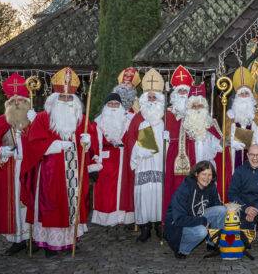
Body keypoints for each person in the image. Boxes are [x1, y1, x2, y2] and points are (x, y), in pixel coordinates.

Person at [19, 67, 93, 257]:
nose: (66, 101)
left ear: (75, 101)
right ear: (54, 99)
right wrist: (56, 144)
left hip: (73, 171)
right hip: (49, 172)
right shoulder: (43, 118)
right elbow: (33, 143)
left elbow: (88, 148)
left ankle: (69, 241)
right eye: (62, 97)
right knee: (51, 204)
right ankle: (48, 244)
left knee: (72, 204)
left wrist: (86, 142)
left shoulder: (81, 120)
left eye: (70, 98)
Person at [0, 74, 37, 254]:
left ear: (26, 101)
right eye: (13, 100)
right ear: (8, 102)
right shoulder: (1, 121)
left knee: (32, 201)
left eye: (21, 100)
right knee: (15, 202)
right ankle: (18, 239)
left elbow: (41, 141)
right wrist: (2, 151)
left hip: (31, 169)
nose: (17, 103)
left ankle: (34, 237)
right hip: (10, 170)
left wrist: (36, 121)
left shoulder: (33, 119)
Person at [163, 83, 227, 218]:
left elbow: (221, 148)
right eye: (194, 106)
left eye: (200, 106)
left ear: (205, 107)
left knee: (209, 200)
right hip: (191, 173)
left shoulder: (212, 124)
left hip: (208, 173)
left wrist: (225, 141)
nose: (197, 109)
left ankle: (211, 224)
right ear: (189, 108)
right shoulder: (183, 127)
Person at [126, 68, 168, 242]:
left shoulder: (168, 118)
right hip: (143, 163)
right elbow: (129, 139)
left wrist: (169, 140)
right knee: (144, 193)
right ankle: (144, 228)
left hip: (160, 163)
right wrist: (139, 149)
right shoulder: (137, 119)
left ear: (160, 100)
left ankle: (159, 225)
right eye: (149, 97)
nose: (152, 100)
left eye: (154, 97)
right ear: (143, 99)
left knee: (159, 193)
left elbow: (177, 139)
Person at [164, 161, 227, 259]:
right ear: (196, 174)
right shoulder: (185, 189)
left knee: (222, 210)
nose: (207, 178)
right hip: (177, 225)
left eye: (209, 175)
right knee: (201, 231)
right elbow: (179, 219)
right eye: (204, 174)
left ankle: (212, 242)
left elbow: (216, 206)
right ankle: (182, 249)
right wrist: (202, 221)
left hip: (197, 216)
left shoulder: (211, 186)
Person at [90, 92, 135, 226]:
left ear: (121, 106)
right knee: (106, 190)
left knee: (124, 189)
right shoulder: (98, 122)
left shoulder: (128, 120)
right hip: (105, 160)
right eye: (110, 104)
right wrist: (95, 162)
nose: (114, 107)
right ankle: (106, 218)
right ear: (105, 106)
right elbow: (94, 143)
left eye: (116, 104)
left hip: (124, 158)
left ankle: (123, 217)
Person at [228, 67, 258, 171]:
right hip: (233, 156)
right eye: (241, 94)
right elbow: (223, 140)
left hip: (254, 157)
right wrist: (232, 143)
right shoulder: (230, 116)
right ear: (237, 97)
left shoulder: (257, 116)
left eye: (246, 94)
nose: (244, 96)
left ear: (251, 96)